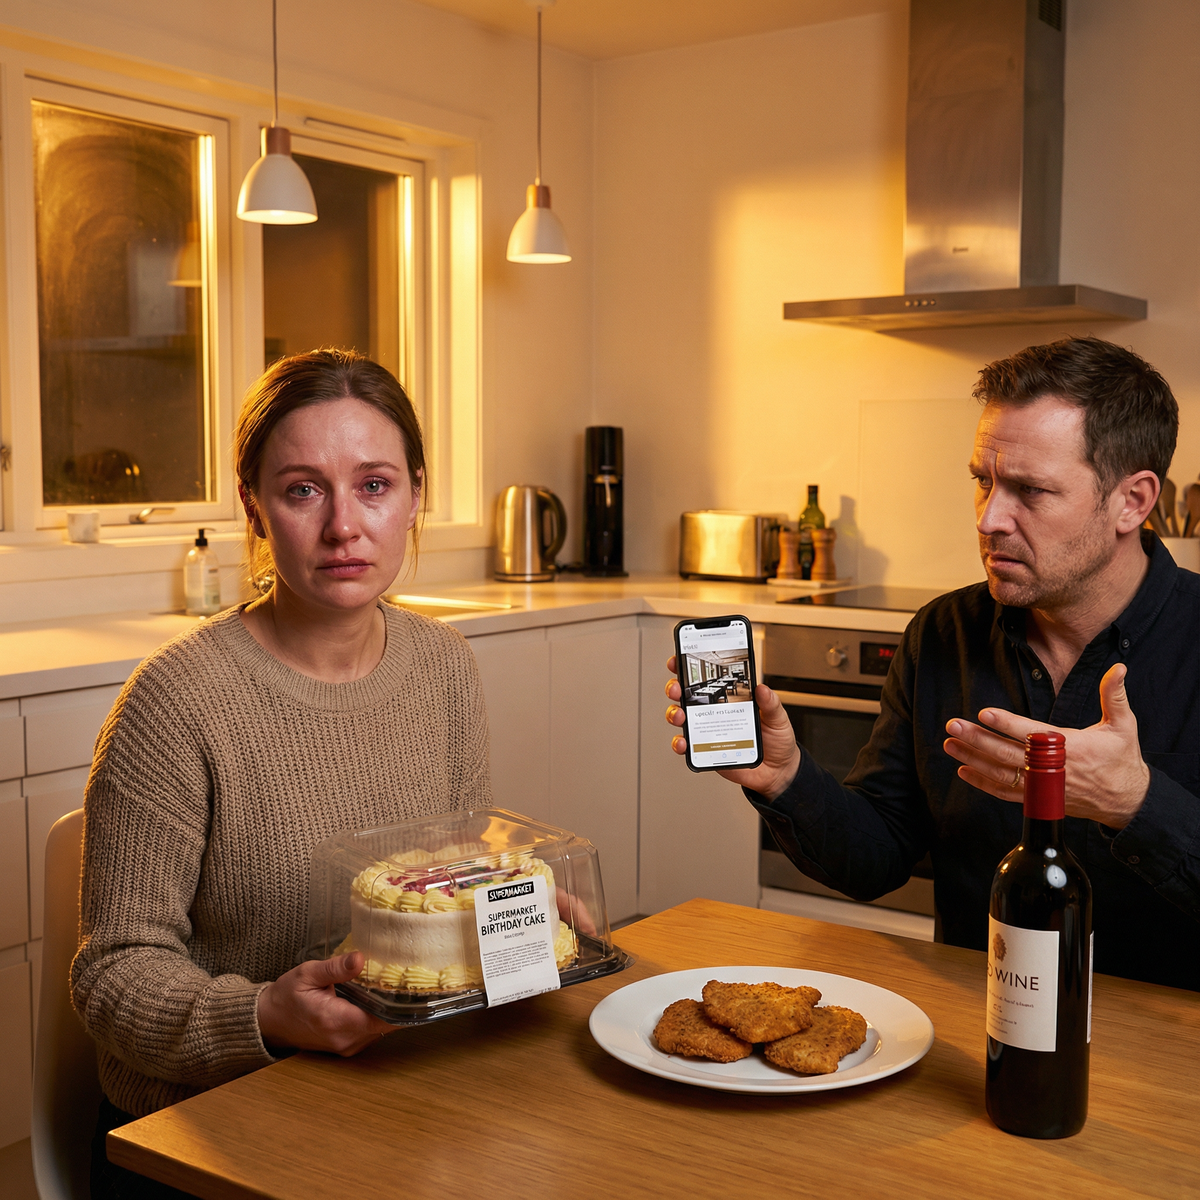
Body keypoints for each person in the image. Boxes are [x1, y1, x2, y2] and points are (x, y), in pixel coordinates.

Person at [72, 350, 491, 1198]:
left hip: (393, 1097)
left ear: (415, 494)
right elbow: (112, 972)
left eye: (374, 485)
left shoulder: (447, 667)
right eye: (303, 490)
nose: (344, 526)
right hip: (205, 1132)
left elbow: (450, 886)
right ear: (254, 508)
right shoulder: (176, 701)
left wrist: (518, 920)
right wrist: (264, 1014)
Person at [665, 336, 1200, 991]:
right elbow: (878, 857)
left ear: (1133, 501)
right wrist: (784, 778)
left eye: (1031, 490)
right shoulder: (942, 634)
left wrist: (1135, 802)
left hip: (1168, 1037)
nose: (990, 518)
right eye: (983, 481)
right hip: (978, 1014)